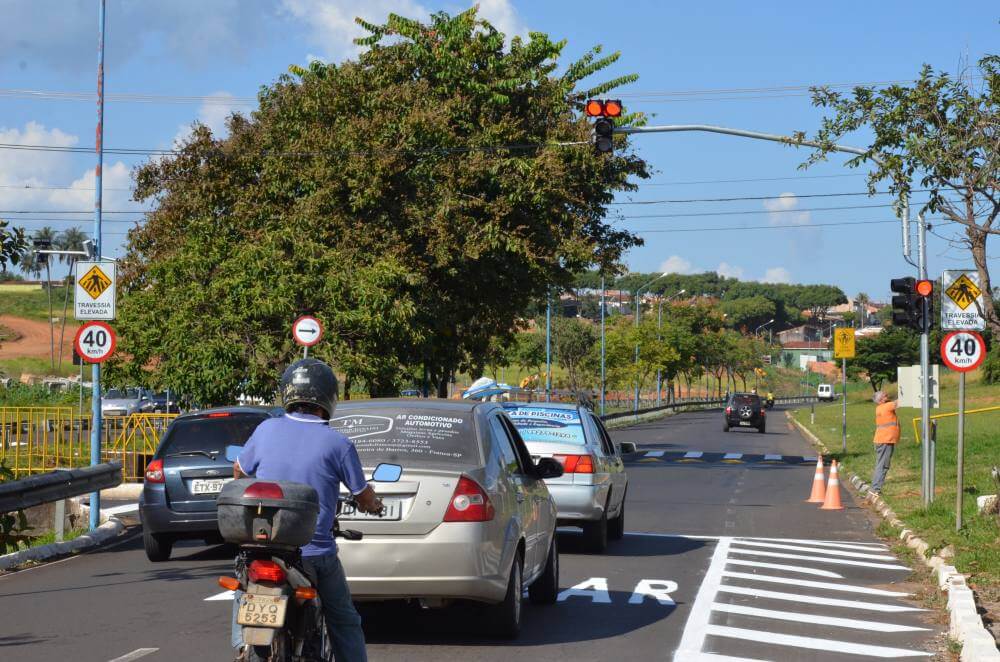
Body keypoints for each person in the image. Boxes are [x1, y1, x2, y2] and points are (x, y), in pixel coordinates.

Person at [231, 358, 383, 661]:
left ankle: (241, 646)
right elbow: (362, 494)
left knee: (244, 586)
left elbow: (239, 471)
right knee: (344, 620)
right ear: (328, 397)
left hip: (264, 548)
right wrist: (374, 504)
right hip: (313, 552)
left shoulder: (266, 429)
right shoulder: (338, 444)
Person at [870, 390, 900, 495]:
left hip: (883, 440)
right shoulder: (886, 406)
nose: (886, 394)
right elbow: (899, 402)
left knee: (882, 464)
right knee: (882, 465)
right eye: (884, 394)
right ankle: (875, 489)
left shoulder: (880, 407)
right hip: (885, 440)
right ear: (880, 400)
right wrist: (904, 390)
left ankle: (875, 488)